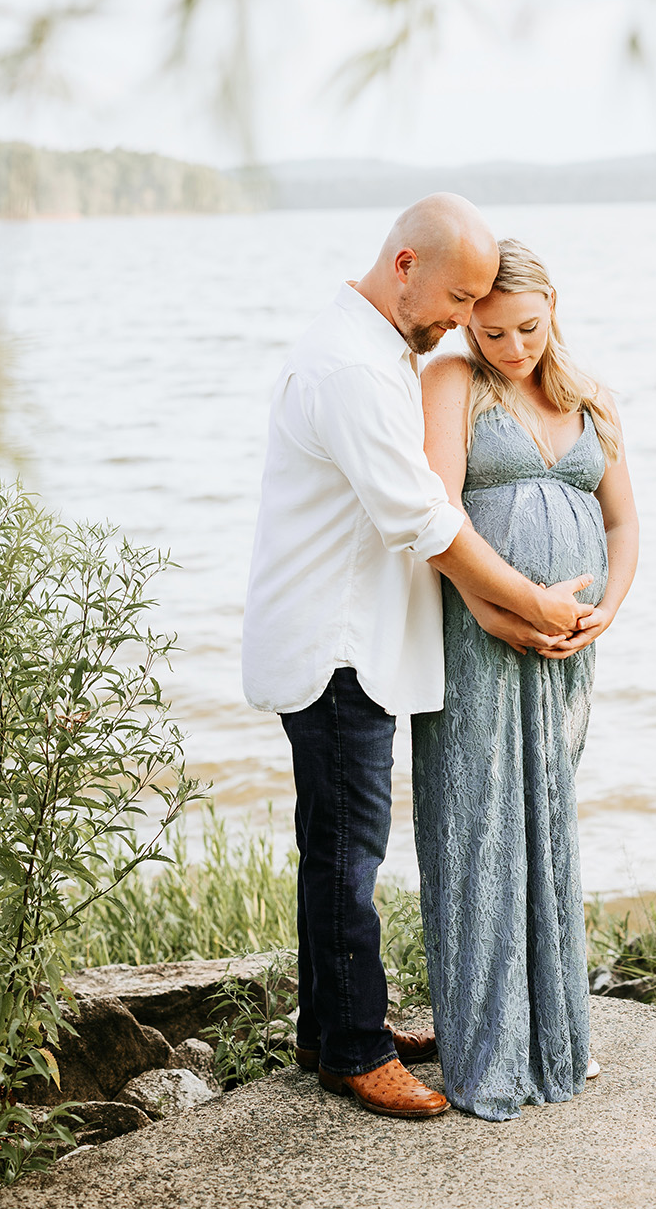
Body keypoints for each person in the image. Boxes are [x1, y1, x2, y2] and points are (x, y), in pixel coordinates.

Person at [241, 196, 595, 1121]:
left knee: (332, 842)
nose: (458, 322)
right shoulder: (348, 366)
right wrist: (527, 603)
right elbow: (425, 517)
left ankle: (330, 1026)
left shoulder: (375, 348)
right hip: (336, 650)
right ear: (405, 265)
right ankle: (356, 1052)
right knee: (347, 855)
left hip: (353, 641)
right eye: (454, 298)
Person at [412, 238, 639, 1120]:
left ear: (554, 308)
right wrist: (501, 610)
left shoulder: (592, 399)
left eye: (528, 330)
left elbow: (621, 527)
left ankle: (556, 1039)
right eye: (493, 330)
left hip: (569, 650)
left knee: (548, 822)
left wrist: (605, 610)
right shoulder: (452, 383)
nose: (511, 349)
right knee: (480, 826)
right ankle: (490, 1052)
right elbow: (439, 518)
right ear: (468, 317)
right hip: (479, 636)